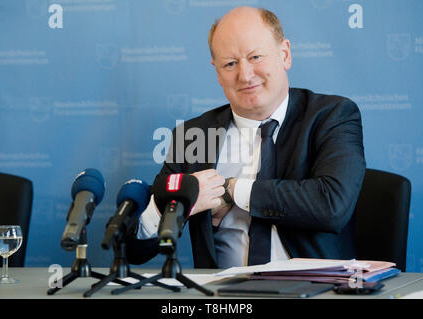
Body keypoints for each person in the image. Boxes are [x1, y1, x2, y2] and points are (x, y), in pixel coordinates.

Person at [125, 6, 366, 269]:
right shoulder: (193, 136)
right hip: (222, 299)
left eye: (255, 57)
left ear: (284, 54)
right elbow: (136, 251)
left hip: (315, 289)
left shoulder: (332, 116)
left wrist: (231, 190)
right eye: (230, 64)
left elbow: (331, 206)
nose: (245, 75)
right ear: (217, 73)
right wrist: (163, 209)